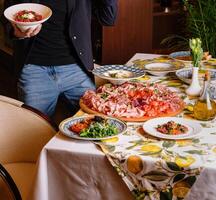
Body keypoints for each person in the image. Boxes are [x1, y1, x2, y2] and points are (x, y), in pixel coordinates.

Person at [1, 0, 118, 118]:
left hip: (75, 68)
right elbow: (7, 18)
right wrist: (16, 32)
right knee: (34, 130)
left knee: (99, 120)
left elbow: (108, 18)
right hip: (34, 70)